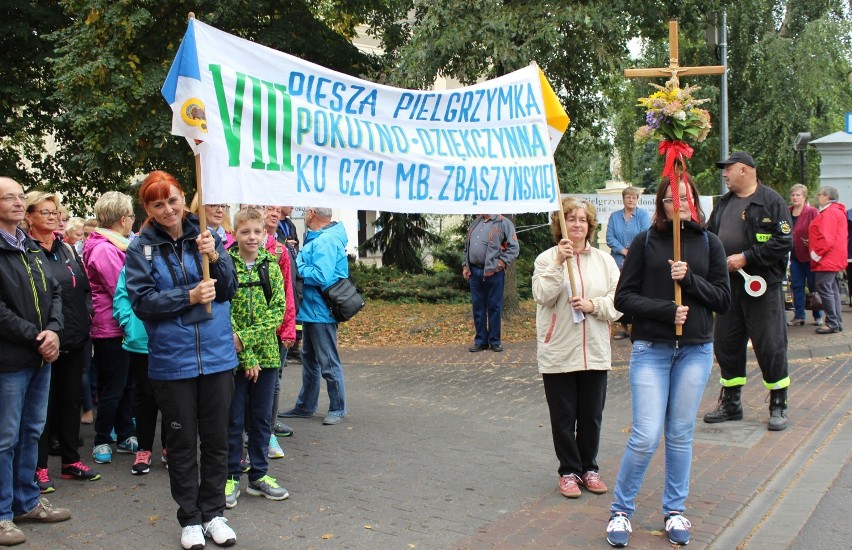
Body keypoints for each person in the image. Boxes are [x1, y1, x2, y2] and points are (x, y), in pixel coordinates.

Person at [605, 177, 731, 548]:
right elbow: (623, 298)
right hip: (651, 351)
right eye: (670, 195)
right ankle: (620, 511)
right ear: (660, 202)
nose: (679, 200)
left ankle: (674, 509)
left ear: (694, 200)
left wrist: (689, 279)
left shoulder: (710, 243)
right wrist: (665, 311)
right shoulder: (646, 241)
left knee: (679, 435)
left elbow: (722, 300)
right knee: (645, 435)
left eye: (686, 194)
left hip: (695, 351)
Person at [125, 170, 239, 549]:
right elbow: (142, 302)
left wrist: (216, 257)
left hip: (217, 355)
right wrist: (188, 296)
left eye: (173, 199)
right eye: (158, 203)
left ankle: (214, 513)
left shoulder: (206, 234)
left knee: (217, 439)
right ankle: (189, 518)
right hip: (172, 361)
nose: (169, 209)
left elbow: (228, 289)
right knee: (182, 441)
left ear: (182, 197)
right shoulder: (141, 247)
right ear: (148, 208)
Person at [532, 198, 621, 500]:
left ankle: (589, 469)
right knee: (563, 417)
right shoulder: (546, 259)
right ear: (561, 224)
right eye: (571, 219)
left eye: (583, 220)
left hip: (594, 350)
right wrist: (559, 262)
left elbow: (618, 301)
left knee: (591, 415)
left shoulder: (604, 261)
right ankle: (568, 471)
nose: (578, 224)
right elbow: (543, 295)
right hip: (559, 351)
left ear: (590, 225)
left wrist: (593, 305)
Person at [0, 177, 70, 547]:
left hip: (41, 355)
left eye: (19, 197)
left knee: (31, 431)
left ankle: (26, 502)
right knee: (5, 438)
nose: (16, 202)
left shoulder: (29, 246)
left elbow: (55, 289)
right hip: (11, 358)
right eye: (8, 197)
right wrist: (36, 336)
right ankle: (1, 514)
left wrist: (54, 330)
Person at [703, 152, 793, 431]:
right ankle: (731, 403)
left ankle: (778, 403)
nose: (724, 175)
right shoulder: (725, 203)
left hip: (762, 288)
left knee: (770, 345)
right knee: (726, 344)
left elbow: (784, 241)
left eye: (728, 169)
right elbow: (708, 236)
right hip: (729, 288)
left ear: (745, 170)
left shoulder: (771, 201)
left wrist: (746, 257)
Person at [25, 192, 101, 492]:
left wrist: (88, 314)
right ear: (29, 217)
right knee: (41, 408)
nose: (54, 217)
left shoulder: (67, 250)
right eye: (45, 212)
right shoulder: (25, 251)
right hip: (42, 341)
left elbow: (83, 287)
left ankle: (70, 461)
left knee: (71, 401)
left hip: (75, 337)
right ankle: (39, 467)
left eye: (55, 212)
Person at [225, 207, 289, 509]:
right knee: (233, 418)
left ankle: (260, 475)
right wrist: (245, 352)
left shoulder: (271, 266)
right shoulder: (225, 265)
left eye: (257, 232)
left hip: (266, 356)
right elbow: (225, 311)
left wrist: (248, 343)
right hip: (234, 357)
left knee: (262, 419)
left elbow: (276, 312)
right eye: (245, 231)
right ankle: (231, 475)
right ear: (235, 233)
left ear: (265, 234)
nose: (252, 237)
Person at [279, 207, 349, 426]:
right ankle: (305, 406)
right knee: (310, 360)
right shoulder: (319, 238)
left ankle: (338, 408)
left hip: (320, 312)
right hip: (312, 310)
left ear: (311, 213)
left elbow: (321, 275)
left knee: (327, 361)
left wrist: (297, 266)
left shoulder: (325, 241)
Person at [83, 191, 138, 464]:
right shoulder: (105, 248)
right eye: (130, 216)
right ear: (120, 219)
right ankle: (102, 437)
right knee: (113, 386)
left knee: (127, 383)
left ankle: (125, 432)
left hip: (119, 326)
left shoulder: (115, 244)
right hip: (110, 327)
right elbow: (121, 285)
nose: (132, 221)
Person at [113, 266, 167, 475]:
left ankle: (169, 447)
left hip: (171, 340)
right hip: (141, 339)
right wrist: (129, 323)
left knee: (171, 397)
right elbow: (122, 295)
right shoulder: (135, 260)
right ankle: (144, 449)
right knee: (145, 396)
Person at [261, 206, 297, 454]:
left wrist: (288, 328)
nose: (273, 213)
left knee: (273, 381)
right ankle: (248, 429)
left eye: (276, 209)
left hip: (275, 329)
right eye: (267, 208)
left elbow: (287, 291)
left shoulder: (280, 250)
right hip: (247, 330)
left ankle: (268, 431)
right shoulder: (232, 249)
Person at [462, 214, 520, 352]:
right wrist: (465, 265)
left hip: (494, 273)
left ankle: (495, 341)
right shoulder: (475, 222)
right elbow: (467, 247)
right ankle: (481, 341)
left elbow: (514, 248)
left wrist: (500, 264)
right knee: (478, 308)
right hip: (474, 273)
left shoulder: (504, 223)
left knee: (494, 307)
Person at [606, 186, 651, 340]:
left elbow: (647, 235)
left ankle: (638, 325)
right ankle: (623, 327)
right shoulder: (614, 216)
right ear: (623, 198)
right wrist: (623, 251)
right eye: (628, 197)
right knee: (620, 292)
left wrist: (631, 253)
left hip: (638, 260)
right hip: (617, 261)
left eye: (634, 197)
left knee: (638, 292)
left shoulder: (643, 215)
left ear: (637, 199)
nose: (631, 200)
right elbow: (610, 237)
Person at [809, 186, 847, 334]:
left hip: (826, 258)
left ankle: (832, 322)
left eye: (819, 195)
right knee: (833, 290)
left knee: (825, 289)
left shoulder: (829, 212)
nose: (818, 197)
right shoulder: (836, 211)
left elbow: (826, 238)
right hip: (833, 257)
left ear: (826, 197)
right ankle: (836, 321)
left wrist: (815, 254)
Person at [787, 184, 822, 326]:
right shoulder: (787, 211)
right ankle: (799, 315)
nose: (795, 197)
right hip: (794, 256)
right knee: (797, 285)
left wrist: (812, 241)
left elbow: (819, 230)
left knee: (813, 285)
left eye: (798, 195)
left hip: (809, 256)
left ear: (804, 197)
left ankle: (818, 315)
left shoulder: (812, 212)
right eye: (793, 195)